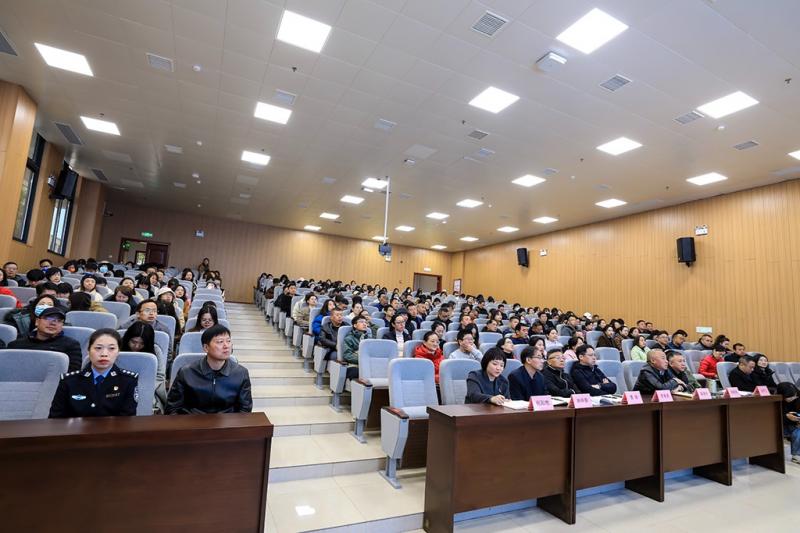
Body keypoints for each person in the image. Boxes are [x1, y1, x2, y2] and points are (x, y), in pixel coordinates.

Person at [48, 328, 138, 418]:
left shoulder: (128, 381)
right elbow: (55, 419)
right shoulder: (69, 381)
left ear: (118, 352)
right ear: (88, 350)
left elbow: (127, 420)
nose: (104, 354)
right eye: (98, 348)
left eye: (111, 348)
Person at [166, 324, 252, 414]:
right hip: (193, 420)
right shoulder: (186, 372)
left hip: (226, 421)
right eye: (220, 342)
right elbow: (172, 408)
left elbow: (245, 410)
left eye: (228, 341)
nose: (226, 346)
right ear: (206, 348)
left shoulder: (241, 373)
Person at [8, 307, 83, 371]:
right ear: (37, 321)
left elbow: (73, 372)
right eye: (48, 318)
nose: (53, 323)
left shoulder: (71, 345)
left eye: (59, 321)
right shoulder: (16, 345)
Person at [121, 321, 166, 408]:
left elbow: (160, 376)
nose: (137, 346)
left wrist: (143, 387)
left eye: (142, 343)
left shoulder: (156, 350)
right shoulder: (118, 347)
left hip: (147, 388)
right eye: (133, 342)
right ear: (127, 339)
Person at [776, 383, 800, 464]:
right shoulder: (776, 401)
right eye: (789, 397)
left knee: (798, 430)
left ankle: (796, 455)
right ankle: (796, 455)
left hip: (794, 424)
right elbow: (774, 417)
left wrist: (797, 420)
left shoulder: (798, 398)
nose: (793, 398)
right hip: (781, 425)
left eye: (795, 395)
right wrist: (786, 417)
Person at [341, 316, 370, 380]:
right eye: (361, 322)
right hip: (354, 365)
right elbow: (347, 355)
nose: (364, 324)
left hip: (368, 365)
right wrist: (363, 360)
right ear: (355, 325)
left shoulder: (369, 339)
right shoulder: (349, 338)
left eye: (365, 322)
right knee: (356, 372)